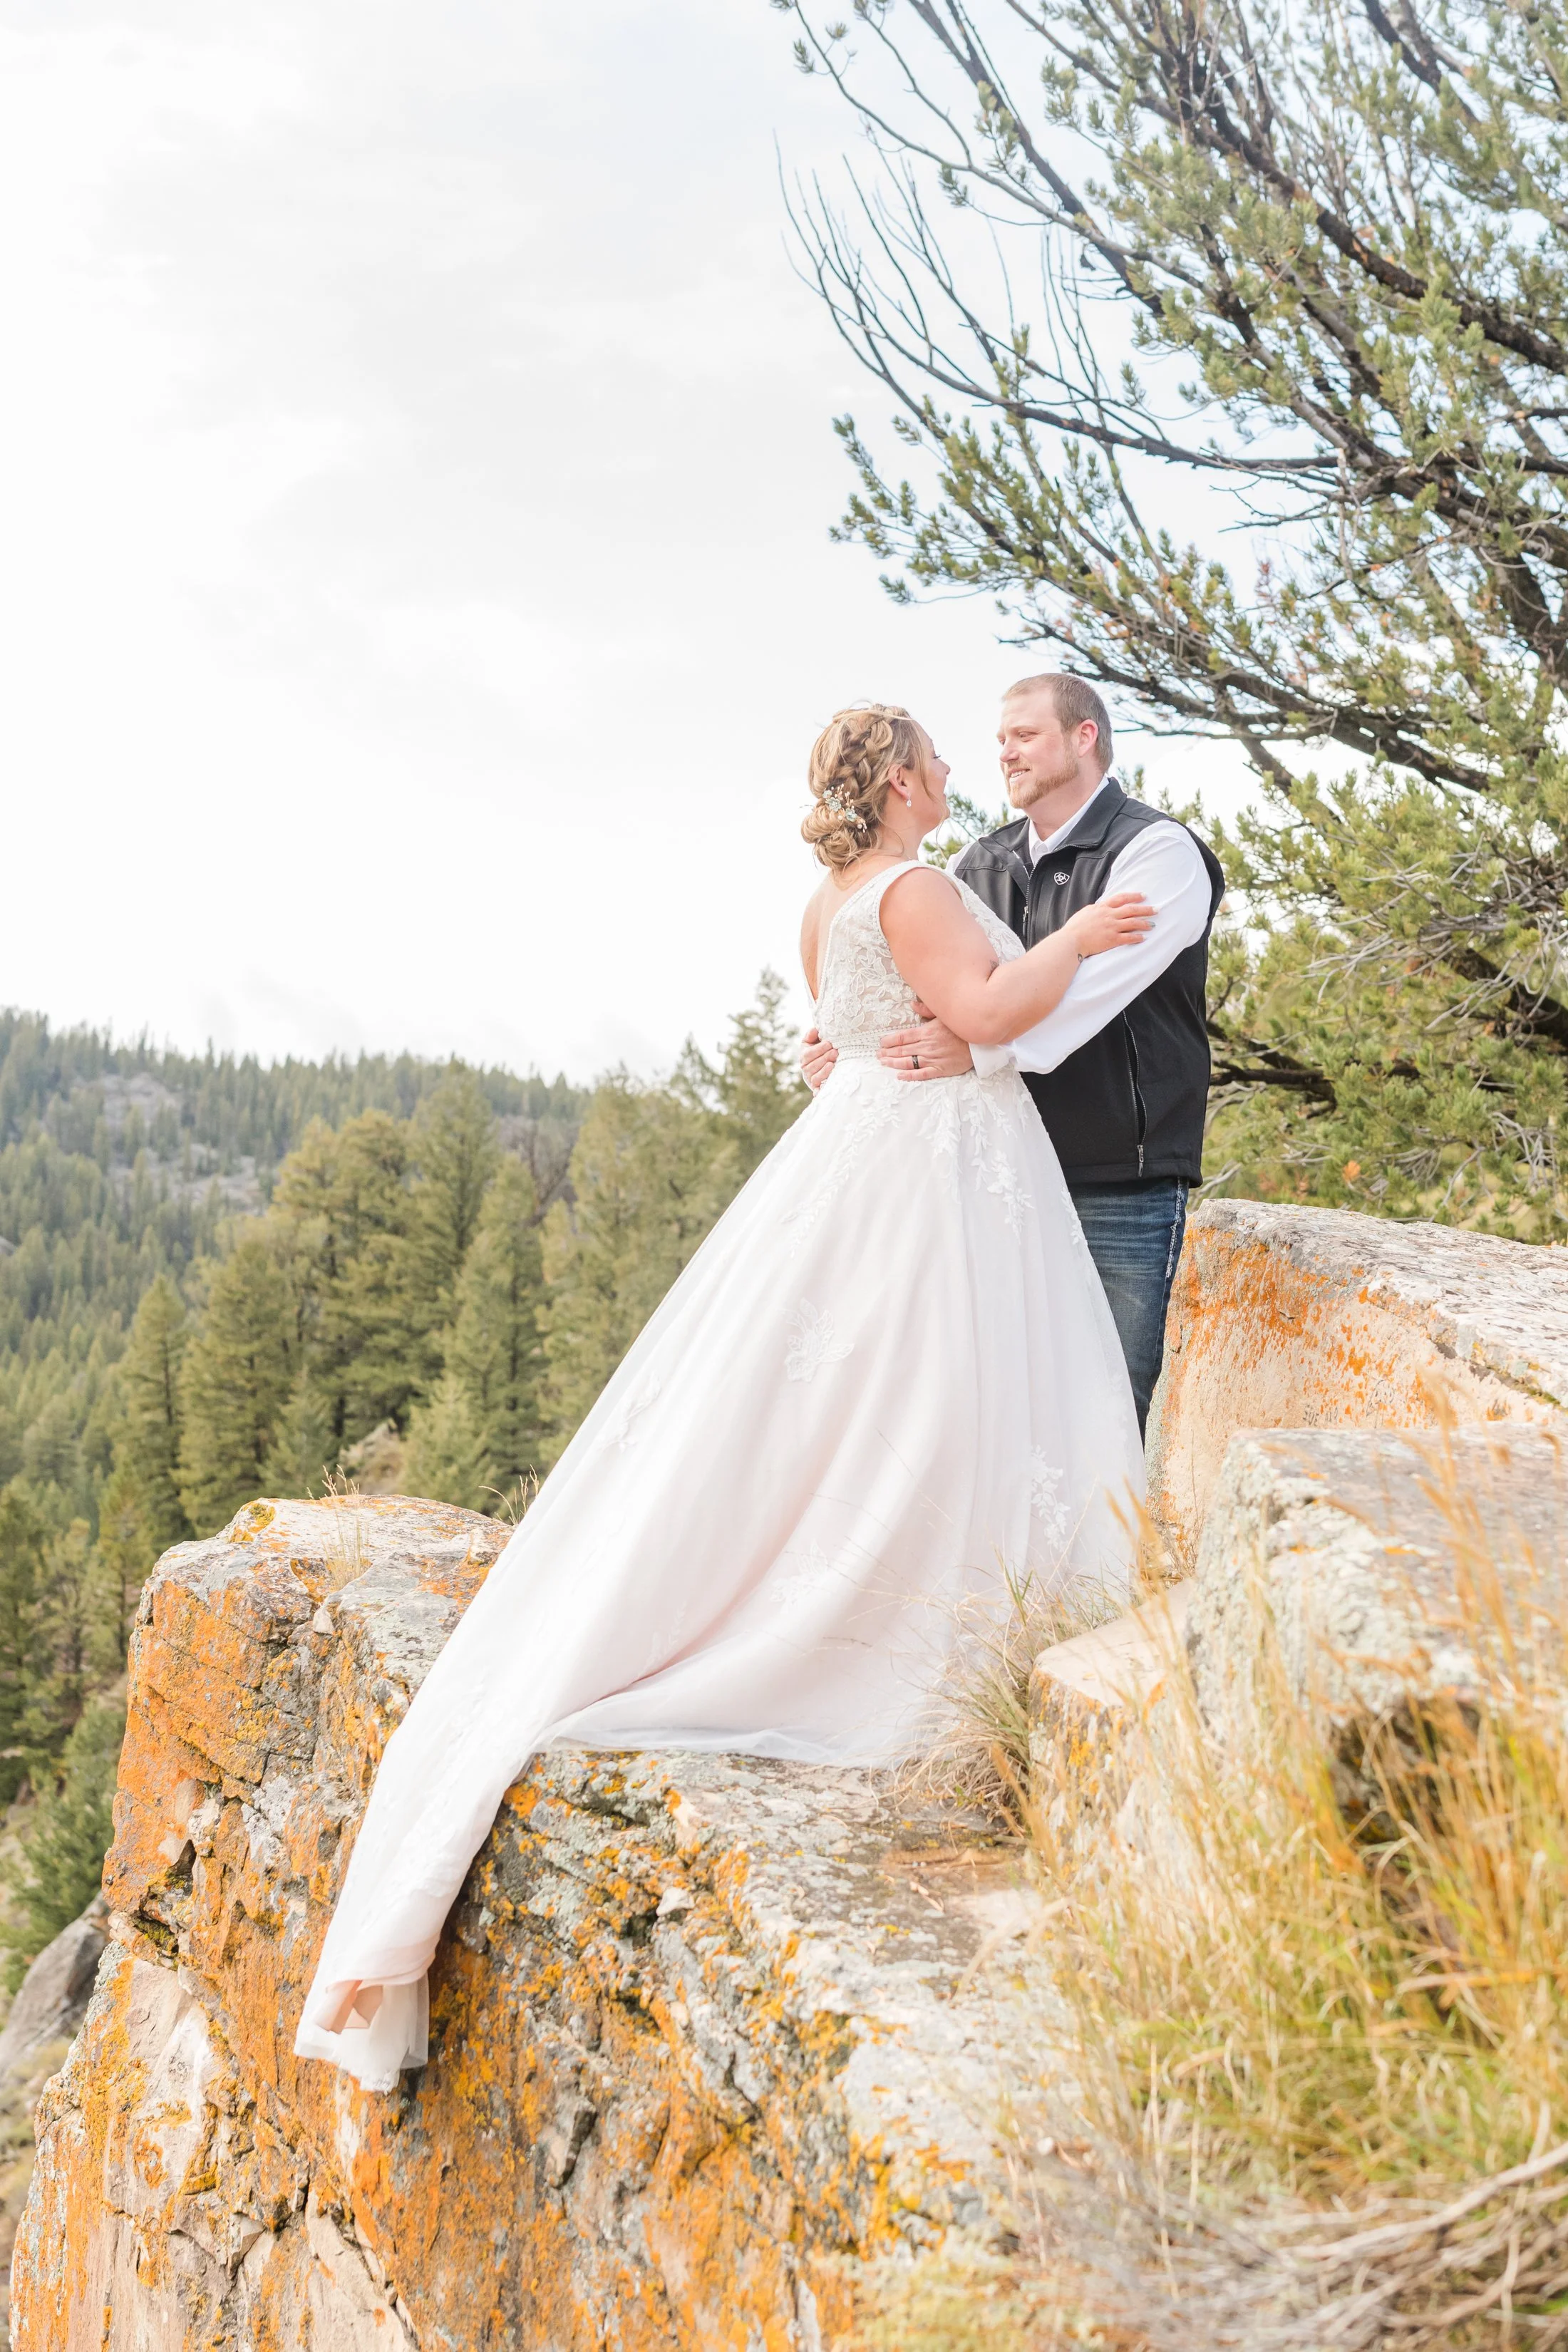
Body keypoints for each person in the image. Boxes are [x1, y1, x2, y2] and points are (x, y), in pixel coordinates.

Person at [294, 703, 1147, 2091]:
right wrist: (1082, 936)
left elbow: (844, 1038)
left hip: (867, 1151)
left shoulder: (829, 903)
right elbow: (988, 1011)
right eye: (934, 758)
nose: (951, 772)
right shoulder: (916, 889)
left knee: (860, 1398)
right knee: (930, 1392)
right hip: (925, 1170)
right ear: (897, 783)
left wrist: (941, 1030)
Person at [802, 676, 1224, 1435]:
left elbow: (1095, 993)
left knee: (1109, 1411)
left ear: (1084, 737)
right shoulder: (975, 862)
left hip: (1116, 1181)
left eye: (1024, 736)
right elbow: (913, 983)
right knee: (990, 1407)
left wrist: (978, 1047)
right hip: (982, 1174)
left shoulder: (1158, 852)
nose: (1003, 753)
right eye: (1000, 739)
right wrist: (849, 1051)